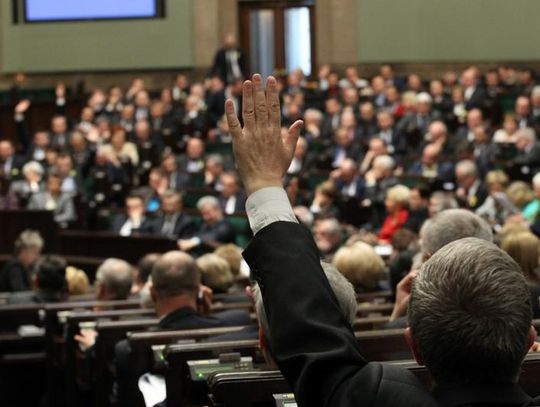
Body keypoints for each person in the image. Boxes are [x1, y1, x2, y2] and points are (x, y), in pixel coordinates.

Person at [225, 74, 540, 406]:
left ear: (413, 345)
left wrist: (263, 182)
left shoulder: (371, 398)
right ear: (530, 340)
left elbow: (310, 333)